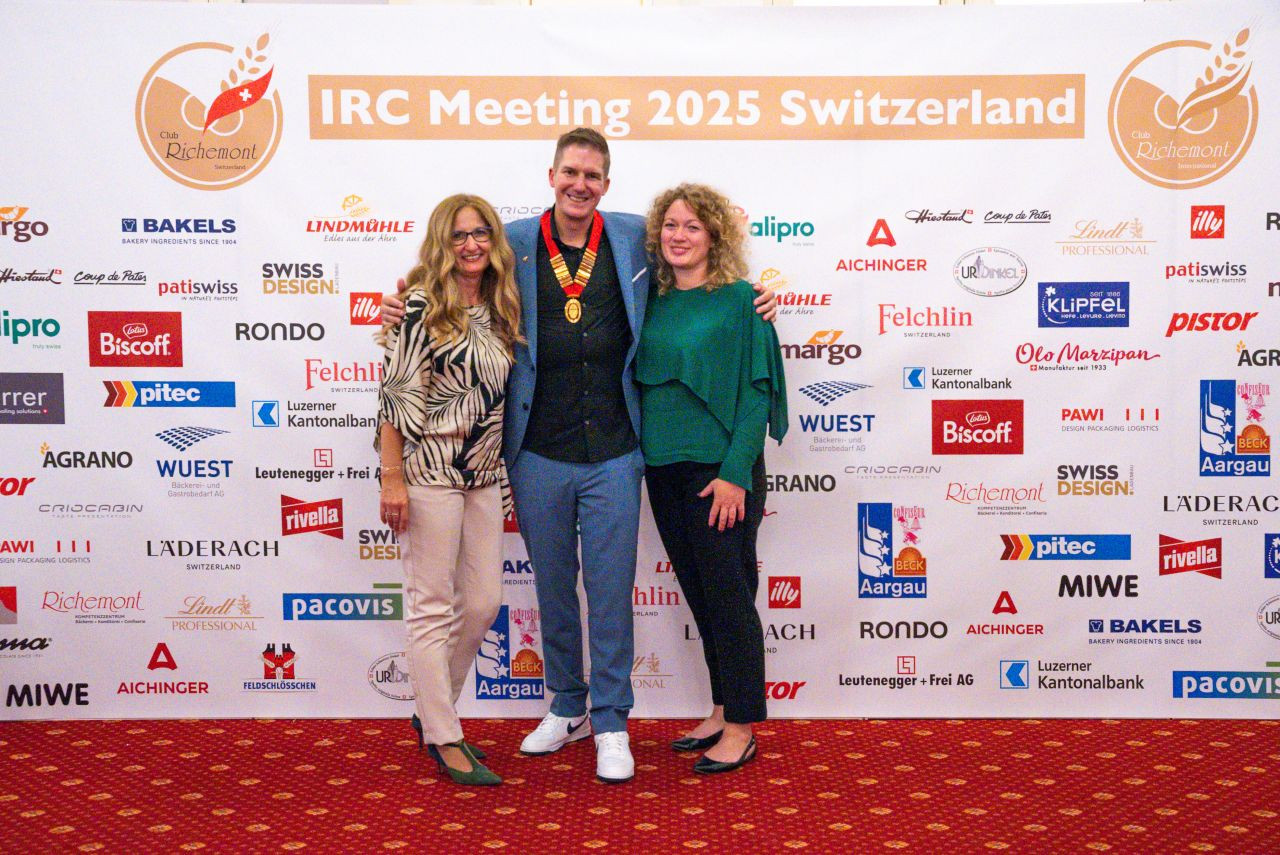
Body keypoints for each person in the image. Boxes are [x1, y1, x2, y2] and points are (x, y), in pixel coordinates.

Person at [381, 128, 777, 784]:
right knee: (552, 588)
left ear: (607, 184)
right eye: (570, 172)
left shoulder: (633, 235)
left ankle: (612, 718)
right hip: (536, 449)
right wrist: (403, 300)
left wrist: (756, 294)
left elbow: (701, 255)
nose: (580, 184)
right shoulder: (511, 240)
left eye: (592, 175)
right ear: (552, 175)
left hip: (618, 450)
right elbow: (452, 267)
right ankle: (567, 705)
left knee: (611, 590)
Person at [636, 183, 787, 774]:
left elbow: (757, 395)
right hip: (663, 469)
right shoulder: (650, 300)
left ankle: (743, 728)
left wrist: (734, 475)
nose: (678, 236)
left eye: (692, 226)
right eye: (671, 225)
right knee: (701, 597)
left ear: (714, 235)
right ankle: (723, 709)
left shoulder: (742, 300)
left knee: (729, 597)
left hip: (720, 474)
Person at [376, 193, 522, 787]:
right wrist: (392, 479)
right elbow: (395, 396)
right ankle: (444, 733)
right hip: (429, 471)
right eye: (458, 235)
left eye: (480, 232)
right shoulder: (419, 305)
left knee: (483, 602)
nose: (471, 244)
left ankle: (432, 708)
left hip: (484, 474)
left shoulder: (502, 305)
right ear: (442, 243)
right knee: (432, 606)